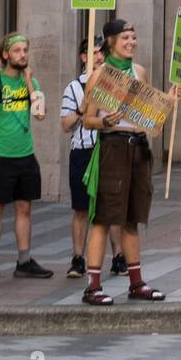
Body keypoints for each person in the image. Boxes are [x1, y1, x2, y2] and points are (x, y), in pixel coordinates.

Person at [78, 19, 181, 305]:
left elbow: (149, 116)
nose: (131, 42)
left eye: (133, 37)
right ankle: (93, 286)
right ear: (111, 41)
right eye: (125, 37)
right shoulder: (100, 75)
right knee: (102, 218)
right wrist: (103, 120)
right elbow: (87, 119)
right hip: (112, 147)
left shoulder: (139, 72)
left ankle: (136, 283)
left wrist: (169, 101)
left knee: (131, 218)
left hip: (137, 148)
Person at [0, 32, 52, 281]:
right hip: (0, 153)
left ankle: (24, 260)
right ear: (6, 54)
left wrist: (29, 83)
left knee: (24, 208)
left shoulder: (31, 82)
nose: (22, 55)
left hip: (25, 154)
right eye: (17, 51)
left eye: (25, 50)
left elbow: (40, 114)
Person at [60, 37, 123, 278]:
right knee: (81, 208)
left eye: (101, 53)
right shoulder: (74, 88)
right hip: (83, 151)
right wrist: (81, 108)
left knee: (111, 207)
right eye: (93, 53)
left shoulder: (115, 84)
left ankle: (118, 256)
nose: (98, 57)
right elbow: (65, 125)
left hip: (109, 148)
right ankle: (78, 258)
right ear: (83, 57)